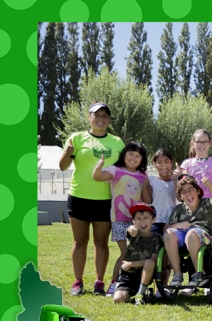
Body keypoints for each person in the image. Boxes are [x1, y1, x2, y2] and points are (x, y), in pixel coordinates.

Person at [59, 101, 125, 296]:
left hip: (105, 200)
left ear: (109, 120)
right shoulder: (76, 138)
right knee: (80, 241)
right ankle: (77, 282)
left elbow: (125, 168)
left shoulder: (117, 142)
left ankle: (99, 282)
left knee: (101, 242)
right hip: (79, 197)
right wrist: (68, 153)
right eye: (97, 115)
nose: (101, 119)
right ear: (89, 117)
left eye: (105, 116)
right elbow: (63, 166)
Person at [92, 141, 150, 297]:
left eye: (138, 156)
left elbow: (147, 200)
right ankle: (114, 283)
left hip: (136, 222)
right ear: (124, 154)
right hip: (118, 220)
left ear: (142, 159)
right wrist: (98, 166)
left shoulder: (143, 175)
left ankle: (131, 283)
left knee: (136, 253)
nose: (133, 158)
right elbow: (97, 177)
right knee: (125, 253)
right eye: (131, 153)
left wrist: (145, 186)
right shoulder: (115, 170)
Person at [163, 174, 212, 288]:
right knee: (168, 234)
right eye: (184, 192)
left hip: (204, 236)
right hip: (183, 235)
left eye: (190, 190)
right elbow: (166, 228)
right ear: (181, 196)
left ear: (198, 191)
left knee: (191, 234)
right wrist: (179, 224)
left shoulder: (206, 203)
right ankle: (177, 274)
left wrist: (211, 186)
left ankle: (199, 273)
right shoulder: (179, 209)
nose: (188, 194)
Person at [113, 203, 162, 305]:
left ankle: (140, 294)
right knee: (117, 300)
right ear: (134, 221)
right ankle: (132, 291)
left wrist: (131, 264)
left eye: (146, 218)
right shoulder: (132, 233)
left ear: (153, 220)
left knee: (149, 263)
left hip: (145, 273)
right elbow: (131, 230)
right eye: (138, 218)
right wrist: (131, 229)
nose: (142, 221)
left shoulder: (157, 238)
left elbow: (152, 261)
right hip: (129, 275)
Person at [145, 148, 178, 235]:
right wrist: (144, 186)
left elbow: (180, 198)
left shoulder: (176, 181)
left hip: (172, 221)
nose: (163, 165)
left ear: (171, 162)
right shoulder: (151, 180)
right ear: (155, 164)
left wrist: (175, 181)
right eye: (159, 162)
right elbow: (148, 201)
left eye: (166, 161)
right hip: (156, 221)